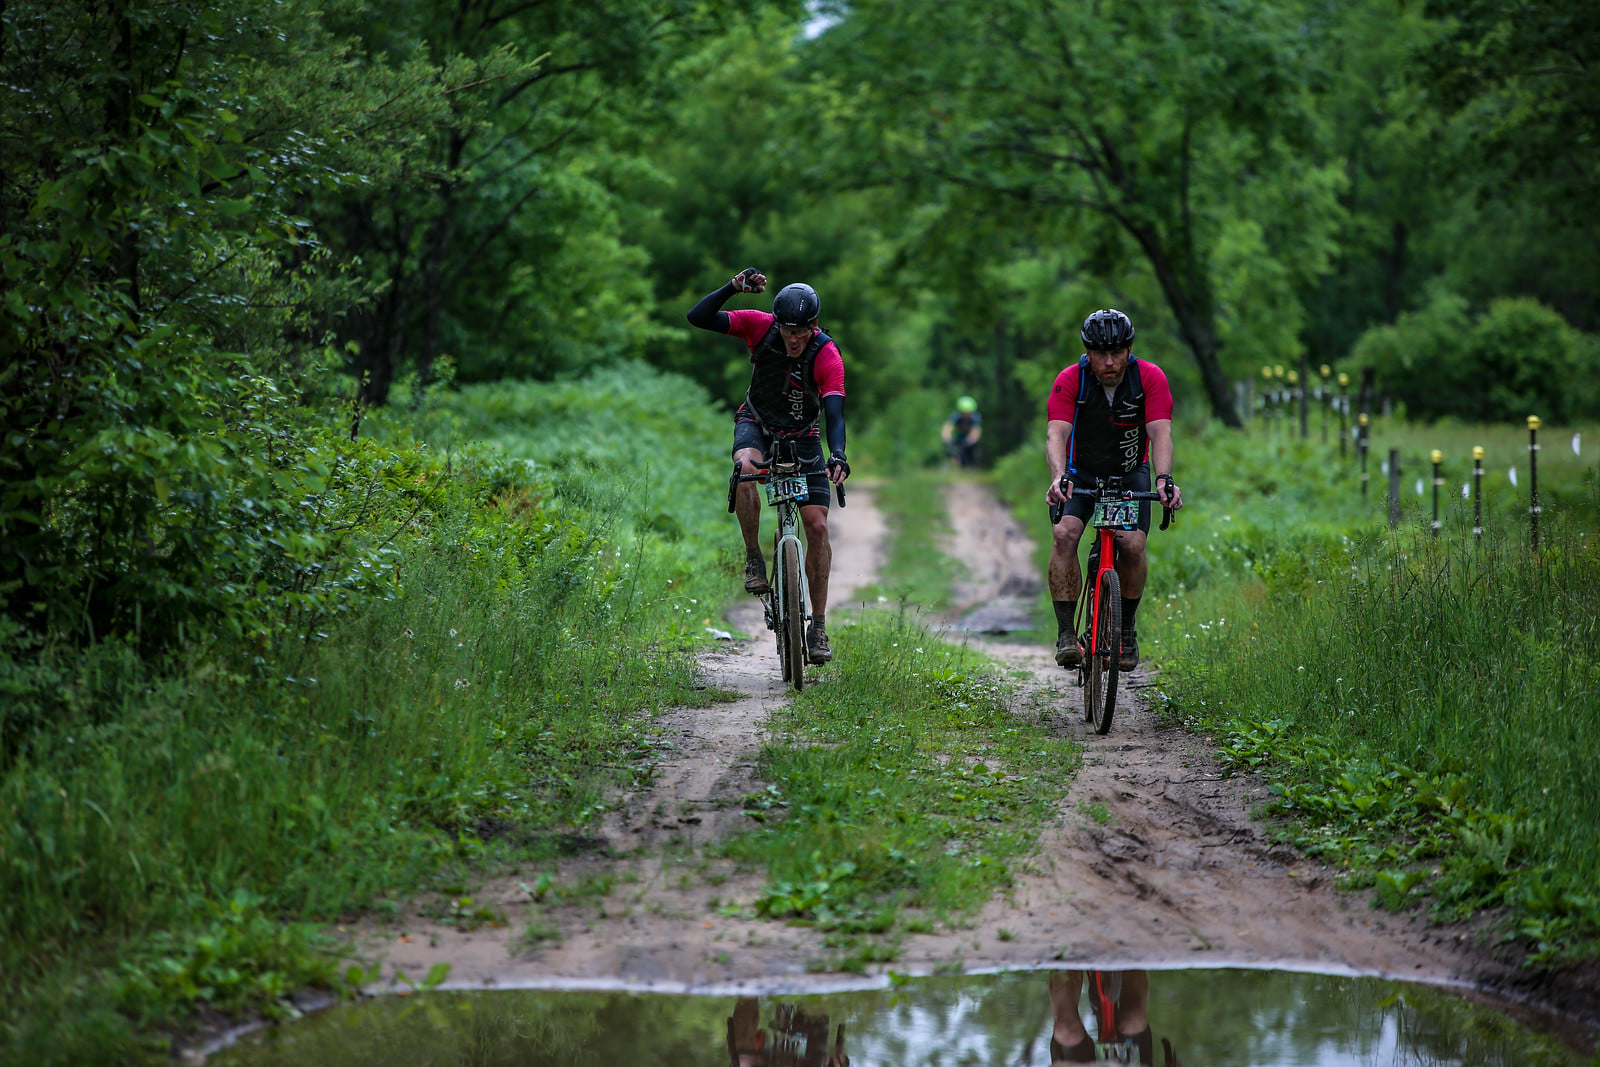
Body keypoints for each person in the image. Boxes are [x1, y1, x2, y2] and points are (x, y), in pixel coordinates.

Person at [688, 268, 850, 665]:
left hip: (804, 433)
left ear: (814, 326)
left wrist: (839, 454)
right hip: (756, 423)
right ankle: (753, 558)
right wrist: (731, 288)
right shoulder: (759, 327)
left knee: (817, 526)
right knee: (745, 470)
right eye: (787, 331)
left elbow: (834, 413)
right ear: (777, 323)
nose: (793, 339)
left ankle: (820, 627)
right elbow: (698, 317)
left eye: (801, 332)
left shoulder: (826, 354)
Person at [1044, 309, 1183, 672]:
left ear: (1129, 349)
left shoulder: (1149, 377)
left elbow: (1160, 432)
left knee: (1132, 544)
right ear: (1087, 352)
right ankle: (1065, 634)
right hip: (1081, 474)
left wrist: (1163, 478)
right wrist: (1059, 476)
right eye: (1101, 353)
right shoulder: (1071, 379)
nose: (1109, 361)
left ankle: (1125, 630)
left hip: (1129, 473)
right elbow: (1056, 433)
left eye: (1118, 352)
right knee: (1065, 534)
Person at [941, 395, 983, 467]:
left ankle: (971, 468)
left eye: (968, 412)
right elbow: (948, 427)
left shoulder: (976, 417)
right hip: (959, 438)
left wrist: (970, 441)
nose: (966, 414)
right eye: (963, 412)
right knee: (953, 451)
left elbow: (976, 431)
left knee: (971, 453)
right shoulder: (956, 416)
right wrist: (947, 438)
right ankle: (955, 469)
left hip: (970, 440)